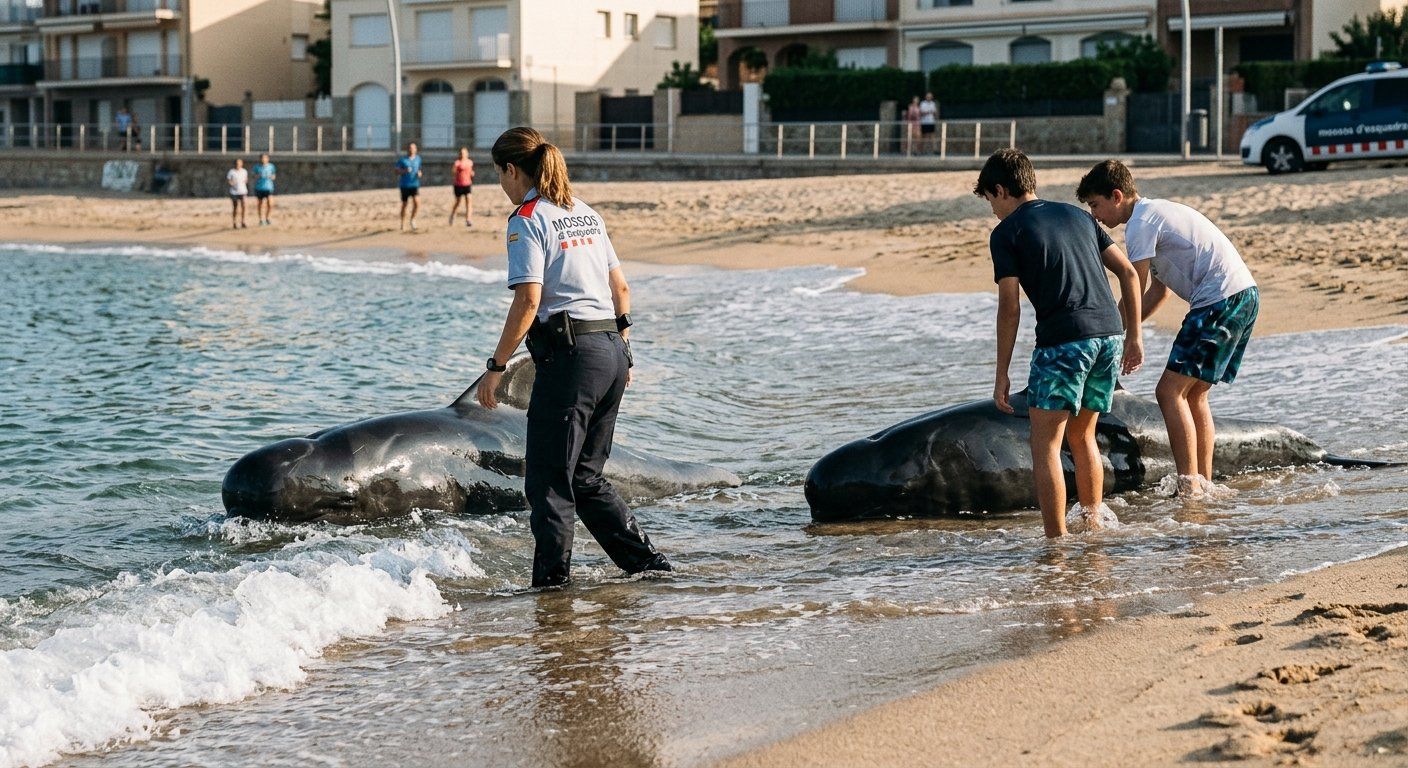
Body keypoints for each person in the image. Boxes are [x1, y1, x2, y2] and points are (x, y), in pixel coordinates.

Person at [477, 126, 672, 588]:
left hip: (573, 359)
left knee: (548, 483)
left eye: (500, 176)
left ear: (511, 169)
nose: (501, 186)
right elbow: (620, 288)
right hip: (610, 351)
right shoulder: (584, 212)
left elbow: (528, 300)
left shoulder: (527, 218)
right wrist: (623, 350)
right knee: (585, 478)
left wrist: (496, 367)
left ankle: (551, 589)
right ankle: (650, 567)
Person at [975, 149, 1143, 537]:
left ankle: (1057, 544)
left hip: (1065, 342)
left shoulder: (1006, 233)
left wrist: (1001, 373)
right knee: (1083, 435)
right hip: (1107, 338)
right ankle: (1092, 521)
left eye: (990, 200)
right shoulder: (1080, 216)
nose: (993, 211)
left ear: (1001, 190)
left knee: (1045, 444)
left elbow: (1010, 307)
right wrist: (1132, 334)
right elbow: (1129, 273)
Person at [1076, 160, 1259, 493]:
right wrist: (1112, 333)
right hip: (1242, 295)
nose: (1094, 215)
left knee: (1168, 391)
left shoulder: (1140, 223)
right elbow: (1157, 294)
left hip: (1219, 299)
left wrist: (1131, 339)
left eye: (1095, 205)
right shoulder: (1153, 214)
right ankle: (1203, 484)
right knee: (1194, 394)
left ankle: (1189, 487)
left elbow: (1134, 284)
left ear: (1117, 196)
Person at [395, 142, 422, 231]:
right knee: (404, 204)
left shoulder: (418, 159)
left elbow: (420, 170)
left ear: (416, 149)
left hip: (414, 184)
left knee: (417, 202)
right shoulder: (403, 160)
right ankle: (402, 222)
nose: (412, 150)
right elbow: (396, 171)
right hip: (405, 185)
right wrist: (404, 171)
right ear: (408, 149)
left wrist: (419, 174)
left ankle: (412, 219)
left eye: (413, 148)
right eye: (410, 148)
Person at [449, 147, 474, 228]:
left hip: (467, 184)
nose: (463, 154)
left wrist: (472, 173)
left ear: (467, 154)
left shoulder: (470, 162)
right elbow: (453, 172)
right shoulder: (457, 163)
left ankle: (468, 219)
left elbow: (471, 171)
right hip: (458, 185)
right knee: (458, 202)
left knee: (468, 200)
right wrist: (458, 170)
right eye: (461, 153)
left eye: (464, 153)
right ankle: (452, 215)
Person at [252, 153, 277, 226]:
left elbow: (274, 176)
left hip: (269, 187)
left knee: (270, 203)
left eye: (265, 158)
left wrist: (271, 177)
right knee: (260, 204)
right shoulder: (257, 167)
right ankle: (260, 219)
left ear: (267, 159)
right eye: (262, 158)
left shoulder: (271, 166)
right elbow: (253, 176)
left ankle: (267, 218)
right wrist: (258, 176)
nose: (263, 160)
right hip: (259, 188)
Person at [226, 157, 248, 229]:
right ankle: (234, 222)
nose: (238, 164)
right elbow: (229, 180)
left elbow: (246, 179)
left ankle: (243, 221)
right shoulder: (231, 172)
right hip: (234, 192)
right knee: (235, 207)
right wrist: (232, 183)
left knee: (244, 206)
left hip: (243, 191)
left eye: (239, 163)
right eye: (237, 163)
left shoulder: (244, 171)